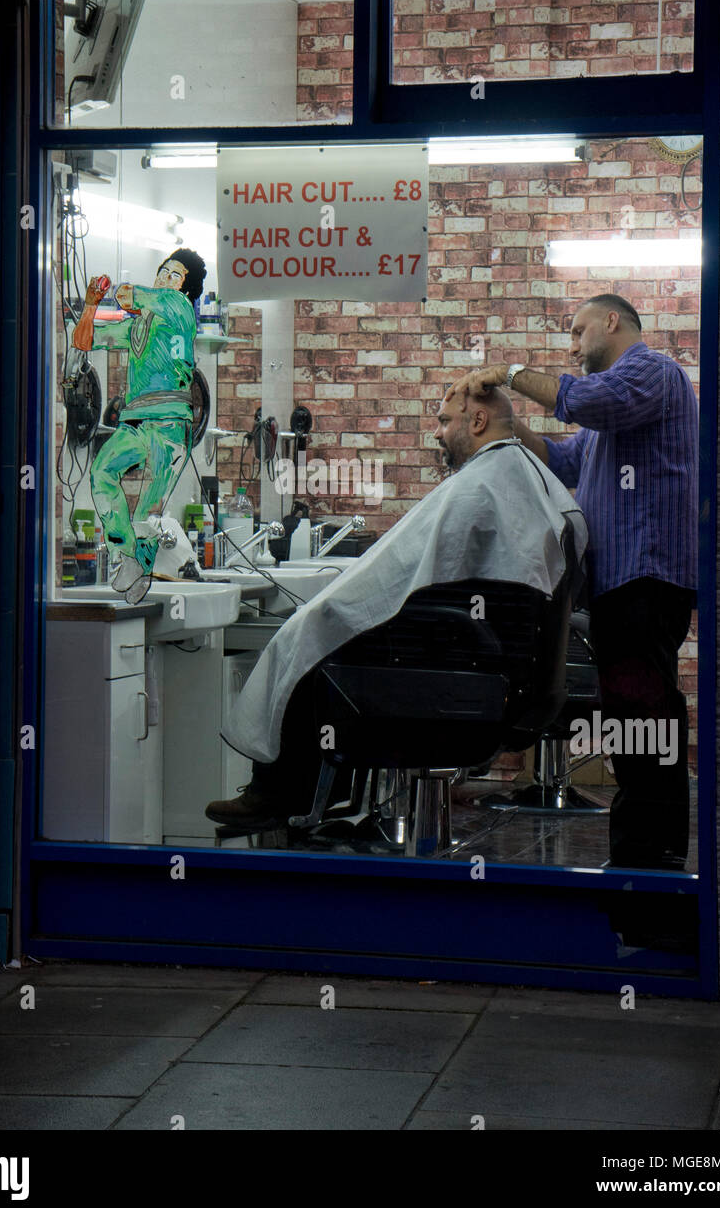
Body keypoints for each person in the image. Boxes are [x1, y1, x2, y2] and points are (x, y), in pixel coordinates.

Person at [207, 378, 588, 831]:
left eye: (445, 421)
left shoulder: (479, 488)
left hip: (459, 664)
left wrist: (334, 609)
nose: (438, 433)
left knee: (313, 629)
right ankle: (307, 797)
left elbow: (398, 577)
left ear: (479, 420)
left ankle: (279, 794)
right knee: (326, 628)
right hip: (500, 670)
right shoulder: (525, 480)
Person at [473, 294, 697, 870]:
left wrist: (512, 374)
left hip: (646, 579)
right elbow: (565, 459)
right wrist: (506, 425)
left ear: (612, 322)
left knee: (644, 718)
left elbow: (586, 401)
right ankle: (645, 861)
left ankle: (650, 868)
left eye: (578, 331)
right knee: (634, 717)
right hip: (622, 584)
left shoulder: (651, 371)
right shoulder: (610, 417)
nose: (572, 344)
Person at [72, 248, 206, 605]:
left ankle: (134, 565)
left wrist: (118, 293)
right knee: (102, 472)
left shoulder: (179, 309)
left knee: (149, 512)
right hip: (135, 420)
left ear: (186, 290)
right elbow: (84, 340)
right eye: (162, 271)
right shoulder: (139, 324)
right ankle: (126, 554)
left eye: (174, 275)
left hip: (171, 424)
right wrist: (89, 305)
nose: (164, 278)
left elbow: (131, 294)